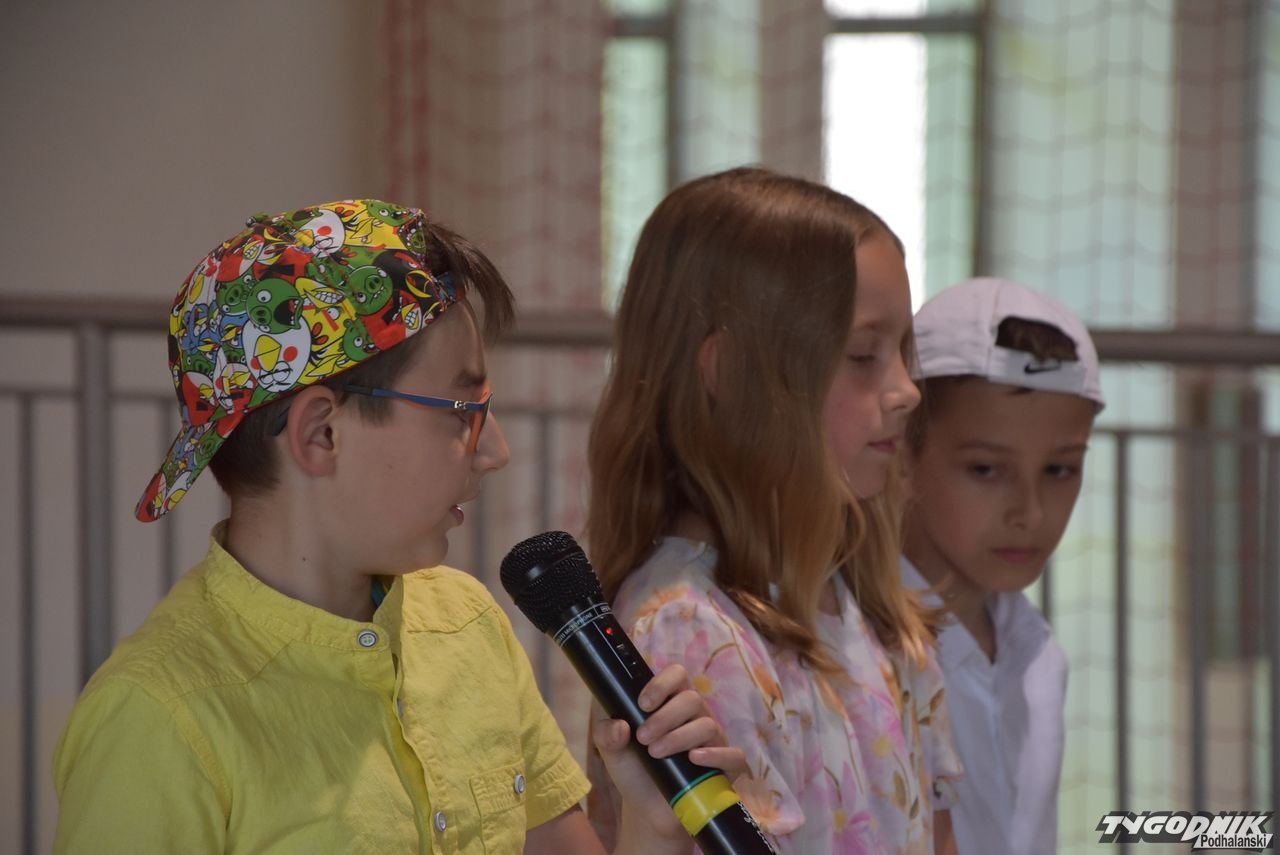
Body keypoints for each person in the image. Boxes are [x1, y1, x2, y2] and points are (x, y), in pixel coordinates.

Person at [53, 199, 743, 854]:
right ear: (321, 434)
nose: (496, 450)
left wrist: (653, 830)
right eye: (463, 410)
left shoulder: (467, 623)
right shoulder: (156, 715)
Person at [583, 167, 962, 854]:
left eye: (903, 353)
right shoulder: (688, 633)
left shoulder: (867, 603)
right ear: (727, 374)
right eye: (863, 355)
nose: (907, 390)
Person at [900, 276, 1106, 854]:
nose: (1030, 512)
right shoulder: (854, 655)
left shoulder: (1038, 655)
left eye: (1059, 469)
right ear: (902, 453)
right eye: (986, 469)